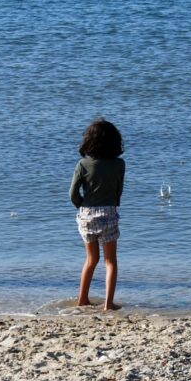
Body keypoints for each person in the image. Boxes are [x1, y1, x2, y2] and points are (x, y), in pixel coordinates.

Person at [69, 118, 126, 311]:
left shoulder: (82, 164)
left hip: (86, 214)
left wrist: (81, 207)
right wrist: (113, 205)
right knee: (110, 261)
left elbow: (73, 193)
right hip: (108, 212)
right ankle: (108, 304)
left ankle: (82, 299)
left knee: (91, 260)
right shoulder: (119, 164)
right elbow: (118, 190)